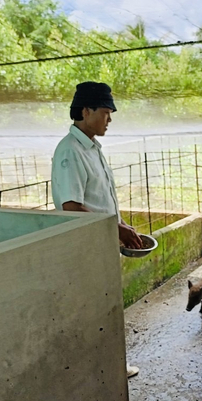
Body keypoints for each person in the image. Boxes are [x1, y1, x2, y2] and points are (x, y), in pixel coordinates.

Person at [51, 81, 141, 378]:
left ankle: (108, 366)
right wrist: (115, 227)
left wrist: (122, 224)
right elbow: (71, 207)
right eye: (105, 112)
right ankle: (94, 371)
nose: (109, 119)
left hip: (101, 242)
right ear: (86, 111)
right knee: (93, 309)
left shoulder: (92, 148)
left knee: (106, 307)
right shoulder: (70, 152)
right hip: (85, 247)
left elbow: (101, 200)